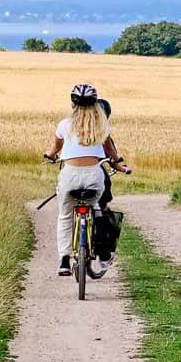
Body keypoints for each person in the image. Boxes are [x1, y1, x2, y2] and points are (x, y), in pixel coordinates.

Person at [44, 83, 129, 275]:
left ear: (73, 103)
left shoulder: (64, 125)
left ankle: (64, 261)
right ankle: (104, 254)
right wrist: (119, 164)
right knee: (97, 209)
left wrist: (49, 156)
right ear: (94, 104)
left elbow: (54, 149)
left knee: (65, 216)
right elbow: (111, 153)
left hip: (70, 176)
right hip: (94, 176)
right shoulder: (102, 127)